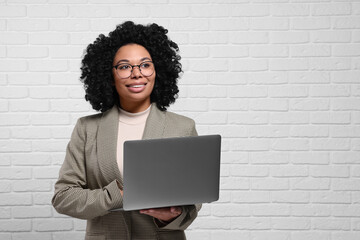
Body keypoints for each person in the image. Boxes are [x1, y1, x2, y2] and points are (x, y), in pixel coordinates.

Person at [52, 21, 201, 240]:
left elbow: (192, 205)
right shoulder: (87, 129)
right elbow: (64, 198)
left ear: (157, 70)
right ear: (109, 77)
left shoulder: (183, 127)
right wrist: (118, 195)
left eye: (145, 65)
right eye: (124, 66)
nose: (137, 74)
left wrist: (170, 215)